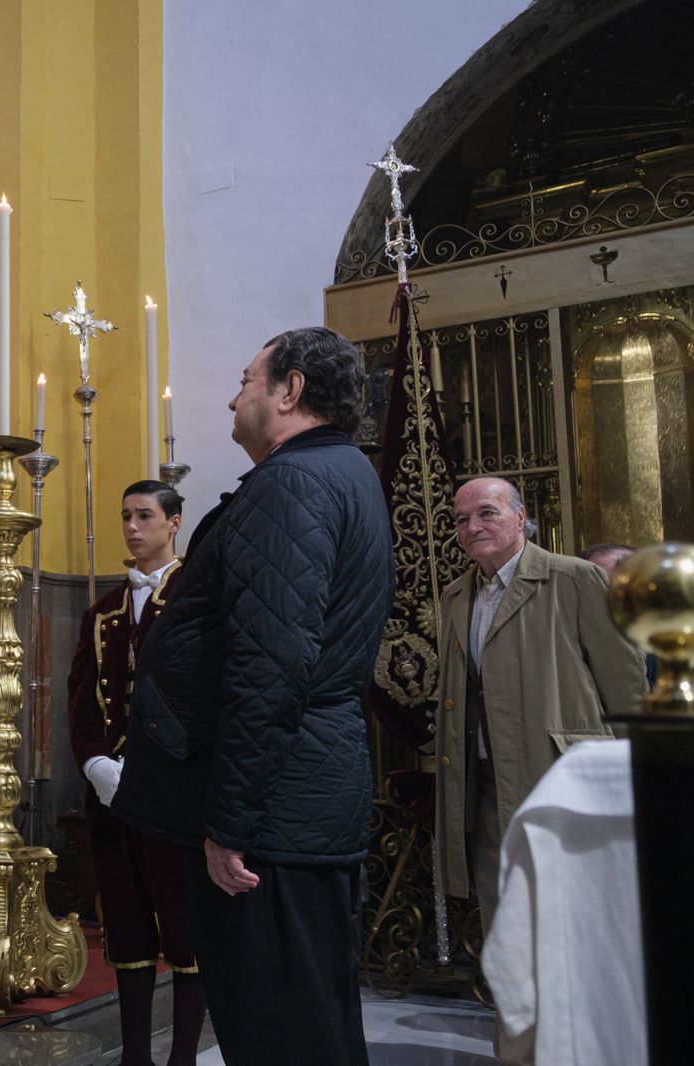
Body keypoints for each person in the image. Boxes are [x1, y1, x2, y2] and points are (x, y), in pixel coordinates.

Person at [113, 327, 393, 1066]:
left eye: (247, 380)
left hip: (272, 819)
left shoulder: (294, 482)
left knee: (278, 1030)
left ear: (289, 390)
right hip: (299, 799)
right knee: (309, 1023)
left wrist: (229, 820)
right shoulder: (343, 471)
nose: (234, 396)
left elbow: (271, 663)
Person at [433, 480, 644, 974]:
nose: (472, 527)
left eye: (486, 513)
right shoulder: (456, 595)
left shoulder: (573, 579)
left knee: (575, 929)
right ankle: (520, 1049)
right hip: (483, 791)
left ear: (520, 516)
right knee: (507, 932)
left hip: (562, 784)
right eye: (461, 520)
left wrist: (631, 783)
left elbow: (626, 690)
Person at [67, 481, 206, 1066]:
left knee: (184, 924)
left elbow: (206, 697)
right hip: (113, 794)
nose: (131, 527)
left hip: (175, 796)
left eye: (144, 515)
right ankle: (134, 1058)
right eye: (125, 516)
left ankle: (181, 1057)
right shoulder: (101, 613)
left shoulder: (199, 599)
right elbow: (80, 698)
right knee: (124, 923)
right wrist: (97, 762)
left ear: (174, 523)